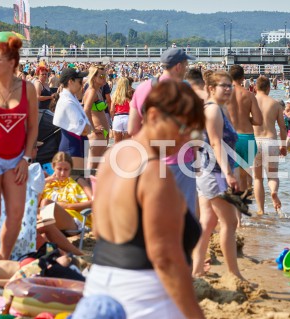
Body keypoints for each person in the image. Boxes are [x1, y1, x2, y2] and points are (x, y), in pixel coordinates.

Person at [84, 81, 205, 319]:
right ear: (152, 115)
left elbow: (99, 230)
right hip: (144, 297)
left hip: (97, 286)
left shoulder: (113, 156)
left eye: (193, 133)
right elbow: (166, 259)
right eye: (182, 128)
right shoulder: (153, 173)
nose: (185, 139)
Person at [0, 37, 38, 259]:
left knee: (16, 213)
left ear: (11, 63)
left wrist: (26, 158)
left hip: (17, 158)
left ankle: (3, 260)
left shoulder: (28, 89)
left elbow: (33, 126)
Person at [127, 48, 199, 216]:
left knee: (154, 212)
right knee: (184, 216)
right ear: (178, 66)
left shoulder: (142, 88)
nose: (187, 68)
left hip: (150, 160)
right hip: (179, 159)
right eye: (186, 64)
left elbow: (132, 129)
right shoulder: (184, 90)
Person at [193, 70, 247, 282]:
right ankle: (234, 274)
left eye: (229, 85)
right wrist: (228, 173)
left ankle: (196, 268)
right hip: (213, 173)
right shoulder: (213, 110)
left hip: (209, 171)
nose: (228, 89)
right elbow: (215, 143)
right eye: (223, 86)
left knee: (207, 223)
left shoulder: (218, 108)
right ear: (211, 88)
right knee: (230, 222)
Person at [253, 76, 287, 215]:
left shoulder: (250, 101)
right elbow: (282, 128)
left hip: (253, 141)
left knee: (257, 178)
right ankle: (273, 192)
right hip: (271, 141)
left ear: (255, 87)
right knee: (272, 176)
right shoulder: (275, 104)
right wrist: (283, 146)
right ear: (269, 88)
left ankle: (260, 210)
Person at [228, 65, 263, 192]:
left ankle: (233, 206)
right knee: (245, 176)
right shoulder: (249, 95)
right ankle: (245, 205)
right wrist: (247, 119)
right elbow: (259, 121)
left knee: (230, 174)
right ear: (243, 78)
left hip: (230, 138)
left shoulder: (224, 94)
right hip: (247, 138)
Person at [40, 152, 93, 231]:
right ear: (53, 166)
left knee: (46, 202)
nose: (62, 173)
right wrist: (46, 181)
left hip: (72, 219)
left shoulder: (76, 182)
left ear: (70, 169)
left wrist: (66, 206)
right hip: (47, 220)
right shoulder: (46, 184)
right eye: (59, 169)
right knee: (44, 206)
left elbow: (93, 202)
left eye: (66, 169)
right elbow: (33, 202)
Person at [53, 68, 91, 170]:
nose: (81, 84)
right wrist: (88, 128)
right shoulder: (67, 101)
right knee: (76, 181)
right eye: (79, 81)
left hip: (76, 144)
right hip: (73, 146)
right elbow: (84, 130)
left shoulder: (71, 98)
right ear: (70, 81)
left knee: (77, 182)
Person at [82, 65, 109, 169]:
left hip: (102, 132)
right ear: (93, 77)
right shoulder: (92, 91)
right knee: (92, 167)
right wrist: (93, 128)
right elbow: (86, 110)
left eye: (105, 75)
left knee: (97, 166)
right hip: (97, 133)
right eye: (101, 76)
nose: (104, 77)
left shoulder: (97, 91)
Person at [110, 77, 131, 143]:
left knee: (117, 143)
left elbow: (112, 110)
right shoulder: (130, 94)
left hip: (117, 117)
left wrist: (113, 118)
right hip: (127, 117)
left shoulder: (115, 94)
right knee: (126, 143)